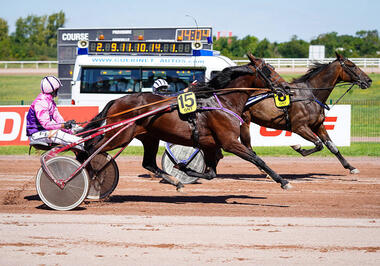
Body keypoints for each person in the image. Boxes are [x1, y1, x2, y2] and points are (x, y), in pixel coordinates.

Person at [26, 76, 84, 150]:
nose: (58, 91)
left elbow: (59, 120)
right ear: (53, 90)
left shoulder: (50, 102)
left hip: (44, 133)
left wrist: (69, 128)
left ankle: (84, 143)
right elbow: (46, 124)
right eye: (57, 89)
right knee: (57, 134)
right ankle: (84, 144)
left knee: (74, 127)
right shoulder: (41, 103)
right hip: (36, 135)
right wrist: (64, 125)